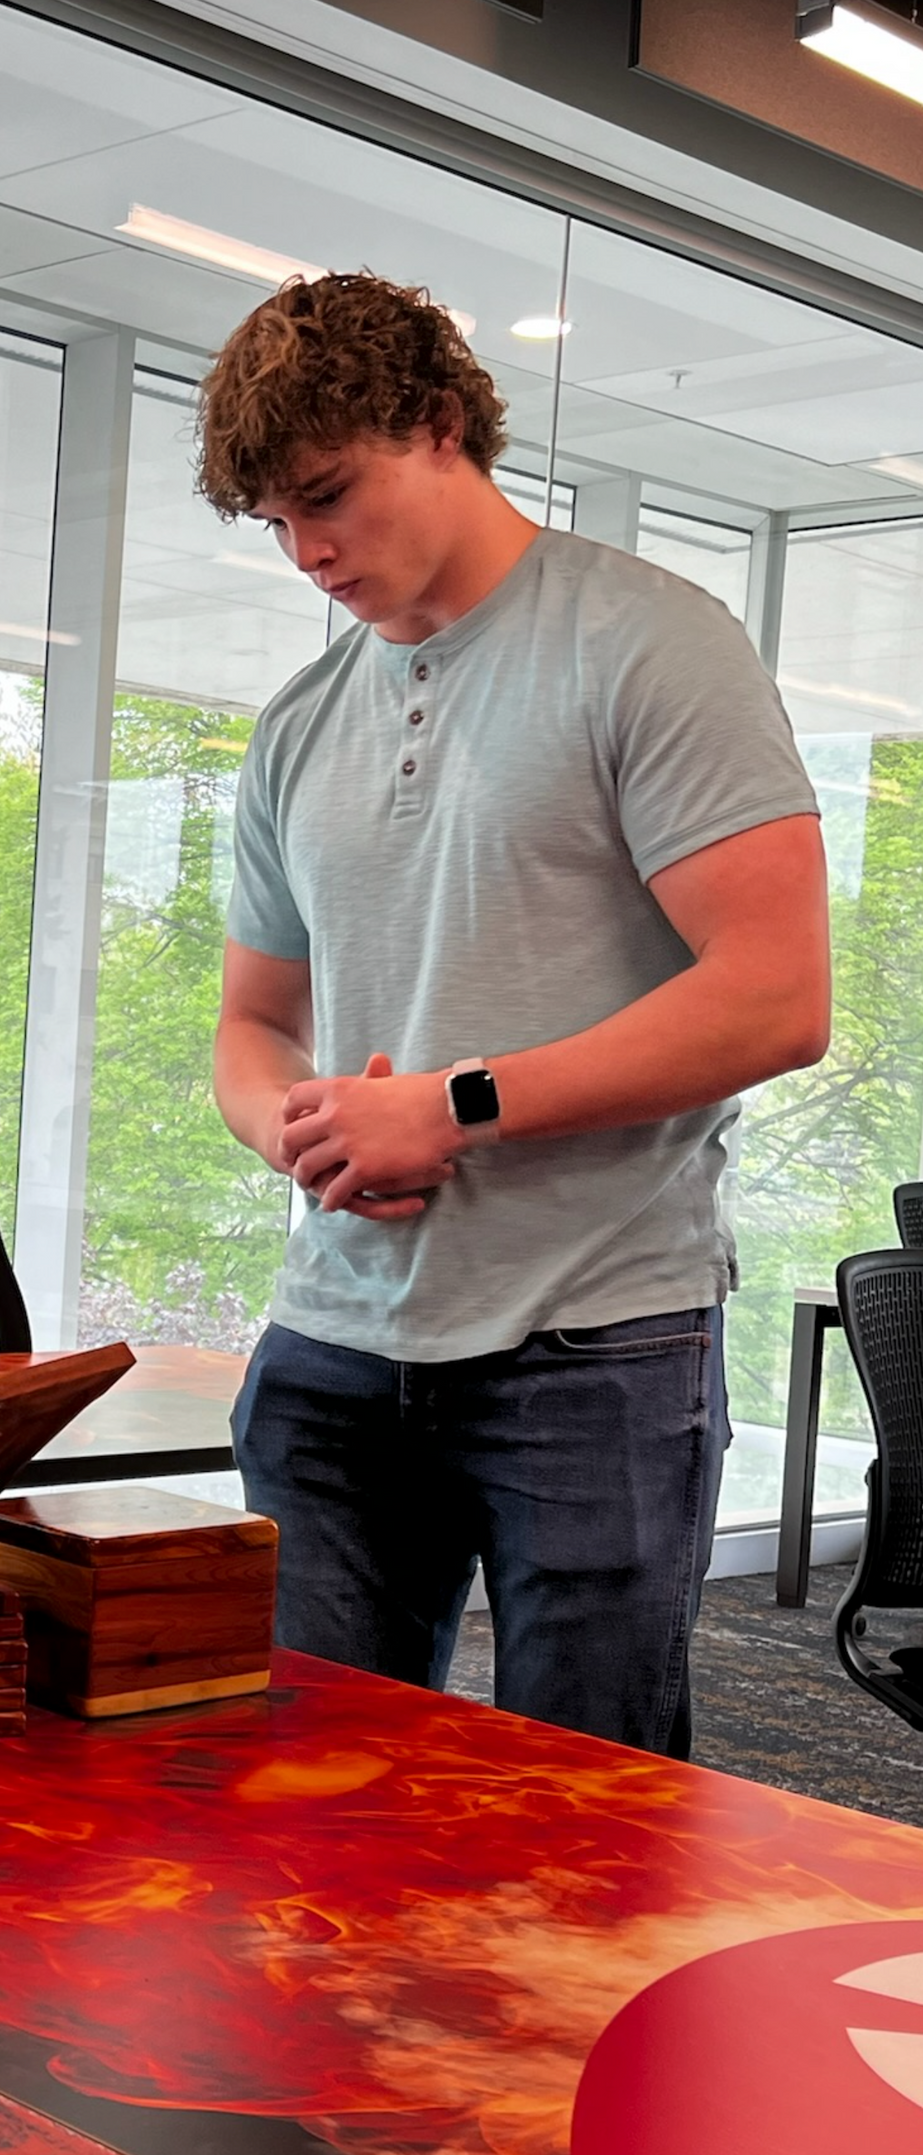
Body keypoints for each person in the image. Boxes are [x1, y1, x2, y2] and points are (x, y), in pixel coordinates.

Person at [204, 271, 830, 1755]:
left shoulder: (649, 644)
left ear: (438, 423)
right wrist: (300, 1133)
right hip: (333, 1348)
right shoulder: (299, 722)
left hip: (593, 1342)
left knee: (588, 1828)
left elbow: (777, 994)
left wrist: (452, 1104)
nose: (307, 551)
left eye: (329, 497)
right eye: (276, 523)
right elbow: (249, 1026)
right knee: (318, 1817)